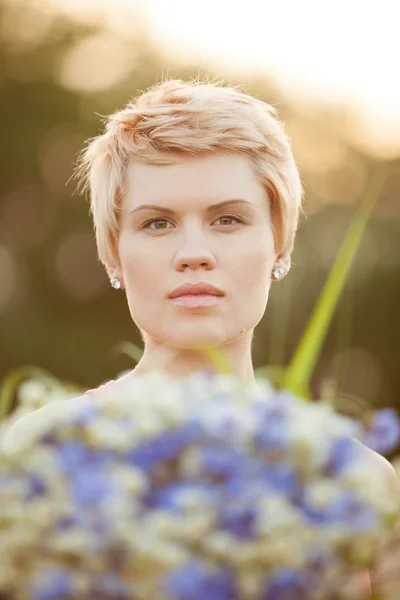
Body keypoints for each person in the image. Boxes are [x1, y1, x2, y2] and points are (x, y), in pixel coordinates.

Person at [2, 79, 399, 595]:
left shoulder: (355, 483)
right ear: (113, 254)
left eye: (228, 219)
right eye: (158, 224)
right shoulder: (43, 452)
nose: (194, 252)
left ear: (279, 243)